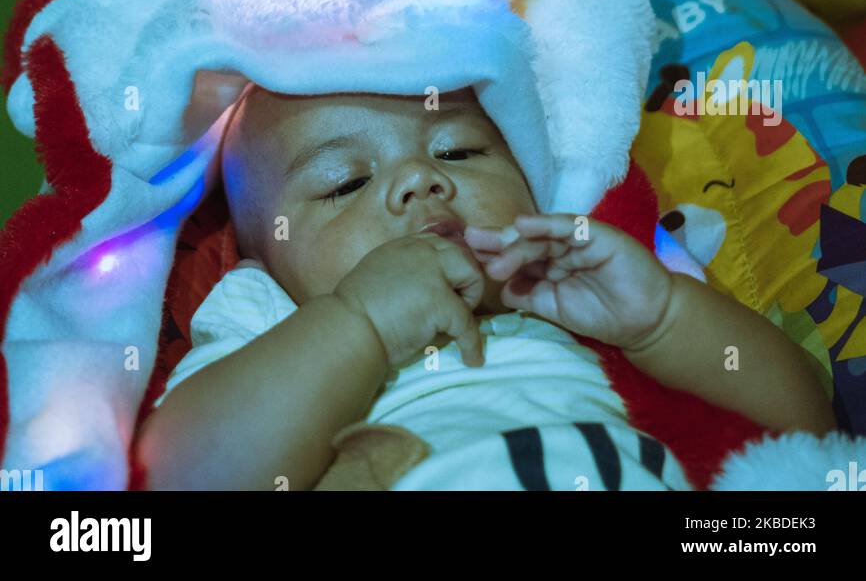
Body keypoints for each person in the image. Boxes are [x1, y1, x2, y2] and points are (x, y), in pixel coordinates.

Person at [135, 83, 836, 492]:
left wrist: (662, 321)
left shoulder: (562, 296)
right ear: (260, 256)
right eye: (346, 183)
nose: (420, 180)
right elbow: (186, 475)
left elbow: (811, 423)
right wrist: (360, 324)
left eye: (458, 152)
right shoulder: (272, 313)